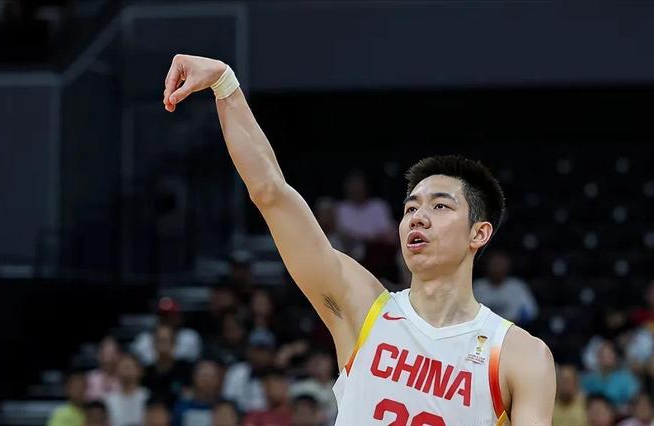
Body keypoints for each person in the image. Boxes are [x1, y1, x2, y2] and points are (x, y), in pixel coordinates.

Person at [162, 54, 556, 424]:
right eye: (411, 208)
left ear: (479, 233)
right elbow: (270, 192)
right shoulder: (365, 309)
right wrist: (225, 85)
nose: (418, 217)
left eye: (440, 206)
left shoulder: (519, 355)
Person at [473, 251, 539, 324]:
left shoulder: (517, 286)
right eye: (495, 264)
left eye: (501, 264)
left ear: (508, 266)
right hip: (483, 327)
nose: (498, 268)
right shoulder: (478, 287)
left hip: (512, 327)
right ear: (487, 265)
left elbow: (531, 312)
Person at [132, 297, 202, 366]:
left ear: (178, 317)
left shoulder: (189, 337)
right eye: (163, 316)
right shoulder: (143, 339)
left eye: (171, 316)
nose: (167, 320)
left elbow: (189, 362)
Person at [221, 328, 276, 412]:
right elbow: (228, 403)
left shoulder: (279, 377)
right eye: (256, 350)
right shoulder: (236, 372)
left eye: (264, 350)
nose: (260, 355)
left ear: (272, 353)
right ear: (248, 351)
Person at [143, 324, 193, 407]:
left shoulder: (185, 368)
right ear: (153, 344)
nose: (162, 344)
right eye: (159, 340)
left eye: (165, 340)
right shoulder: (146, 372)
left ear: (174, 343)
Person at [582, 340, 640, 409]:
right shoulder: (590, 379)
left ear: (615, 357)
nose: (605, 358)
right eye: (602, 355)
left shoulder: (626, 378)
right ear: (597, 358)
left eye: (609, 355)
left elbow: (635, 401)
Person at [289, 351, 336, 425]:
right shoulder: (298, 388)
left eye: (323, 362)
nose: (320, 367)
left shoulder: (340, 386)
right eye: (316, 362)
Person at [172, 360, 222, 426]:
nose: (208, 382)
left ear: (218, 380)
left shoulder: (225, 408)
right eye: (205, 377)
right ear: (195, 378)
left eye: (212, 377)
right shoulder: (181, 408)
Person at [105, 353, 149, 426]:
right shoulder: (108, 400)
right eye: (123, 367)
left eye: (129, 366)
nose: (126, 370)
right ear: (116, 371)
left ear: (139, 370)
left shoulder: (147, 396)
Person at [86, 336, 121, 401]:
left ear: (119, 356)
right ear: (99, 355)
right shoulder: (91, 377)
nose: (110, 357)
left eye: (112, 353)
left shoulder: (124, 377)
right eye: (106, 352)